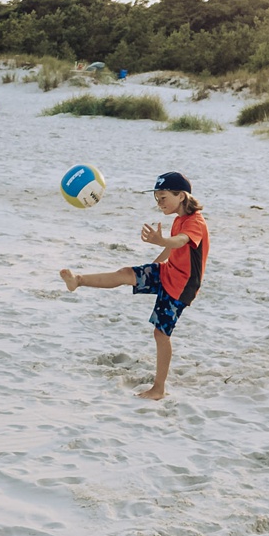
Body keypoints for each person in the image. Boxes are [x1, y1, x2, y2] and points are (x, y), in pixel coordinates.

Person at [60, 171, 209, 400]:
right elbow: (172, 249)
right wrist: (152, 267)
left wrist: (160, 240)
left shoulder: (195, 221)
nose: (159, 203)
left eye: (163, 197)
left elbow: (180, 241)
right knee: (126, 273)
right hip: (168, 272)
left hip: (182, 285)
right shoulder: (179, 219)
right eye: (157, 198)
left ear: (181, 196)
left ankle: (158, 389)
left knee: (161, 333)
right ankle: (78, 281)